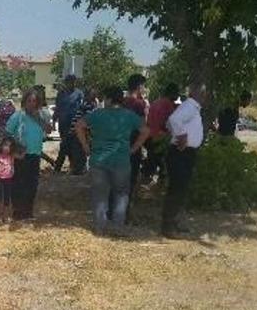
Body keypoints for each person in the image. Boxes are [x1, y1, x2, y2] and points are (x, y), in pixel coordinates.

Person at [76, 86, 150, 235]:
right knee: (121, 194)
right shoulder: (129, 115)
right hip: (121, 160)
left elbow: (79, 126)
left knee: (100, 194)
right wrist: (134, 148)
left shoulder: (97, 114)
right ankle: (118, 227)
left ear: (108, 99)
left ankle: (99, 227)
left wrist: (85, 146)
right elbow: (146, 130)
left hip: (99, 160)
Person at [162, 84, 207, 238]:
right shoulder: (190, 106)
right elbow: (173, 120)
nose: (206, 96)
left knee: (181, 189)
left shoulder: (191, 108)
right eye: (204, 92)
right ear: (199, 93)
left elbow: (169, 124)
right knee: (177, 189)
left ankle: (174, 222)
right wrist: (181, 136)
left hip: (185, 152)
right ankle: (168, 226)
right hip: (181, 152)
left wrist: (179, 135)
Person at [5, 89, 51, 220]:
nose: (31, 103)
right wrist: (12, 151)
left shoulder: (40, 116)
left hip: (35, 154)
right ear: (24, 102)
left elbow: (48, 130)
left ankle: (28, 211)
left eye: (34, 101)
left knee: (32, 183)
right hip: (20, 154)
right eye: (29, 101)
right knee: (19, 183)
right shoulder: (18, 116)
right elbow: (7, 133)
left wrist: (39, 118)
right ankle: (17, 211)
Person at [142, 83, 180, 183]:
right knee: (162, 162)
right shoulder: (168, 105)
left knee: (153, 160)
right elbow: (168, 123)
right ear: (172, 93)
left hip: (149, 136)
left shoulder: (156, 102)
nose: (178, 96)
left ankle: (145, 179)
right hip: (160, 138)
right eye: (177, 93)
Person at [123, 74, 149, 200]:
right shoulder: (139, 104)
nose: (144, 89)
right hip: (133, 145)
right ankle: (124, 214)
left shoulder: (121, 102)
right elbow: (143, 128)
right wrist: (136, 148)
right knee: (130, 180)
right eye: (144, 86)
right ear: (139, 86)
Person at [54, 74, 85, 175]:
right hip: (63, 124)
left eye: (72, 81)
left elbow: (82, 108)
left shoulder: (79, 94)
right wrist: (54, 120)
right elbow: (57, 108)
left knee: (75, 145)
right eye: (68, 81)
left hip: (75, 124)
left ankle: (72, 166)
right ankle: (59, 167)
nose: (70, 84)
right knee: (64, 144)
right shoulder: (61, 94)